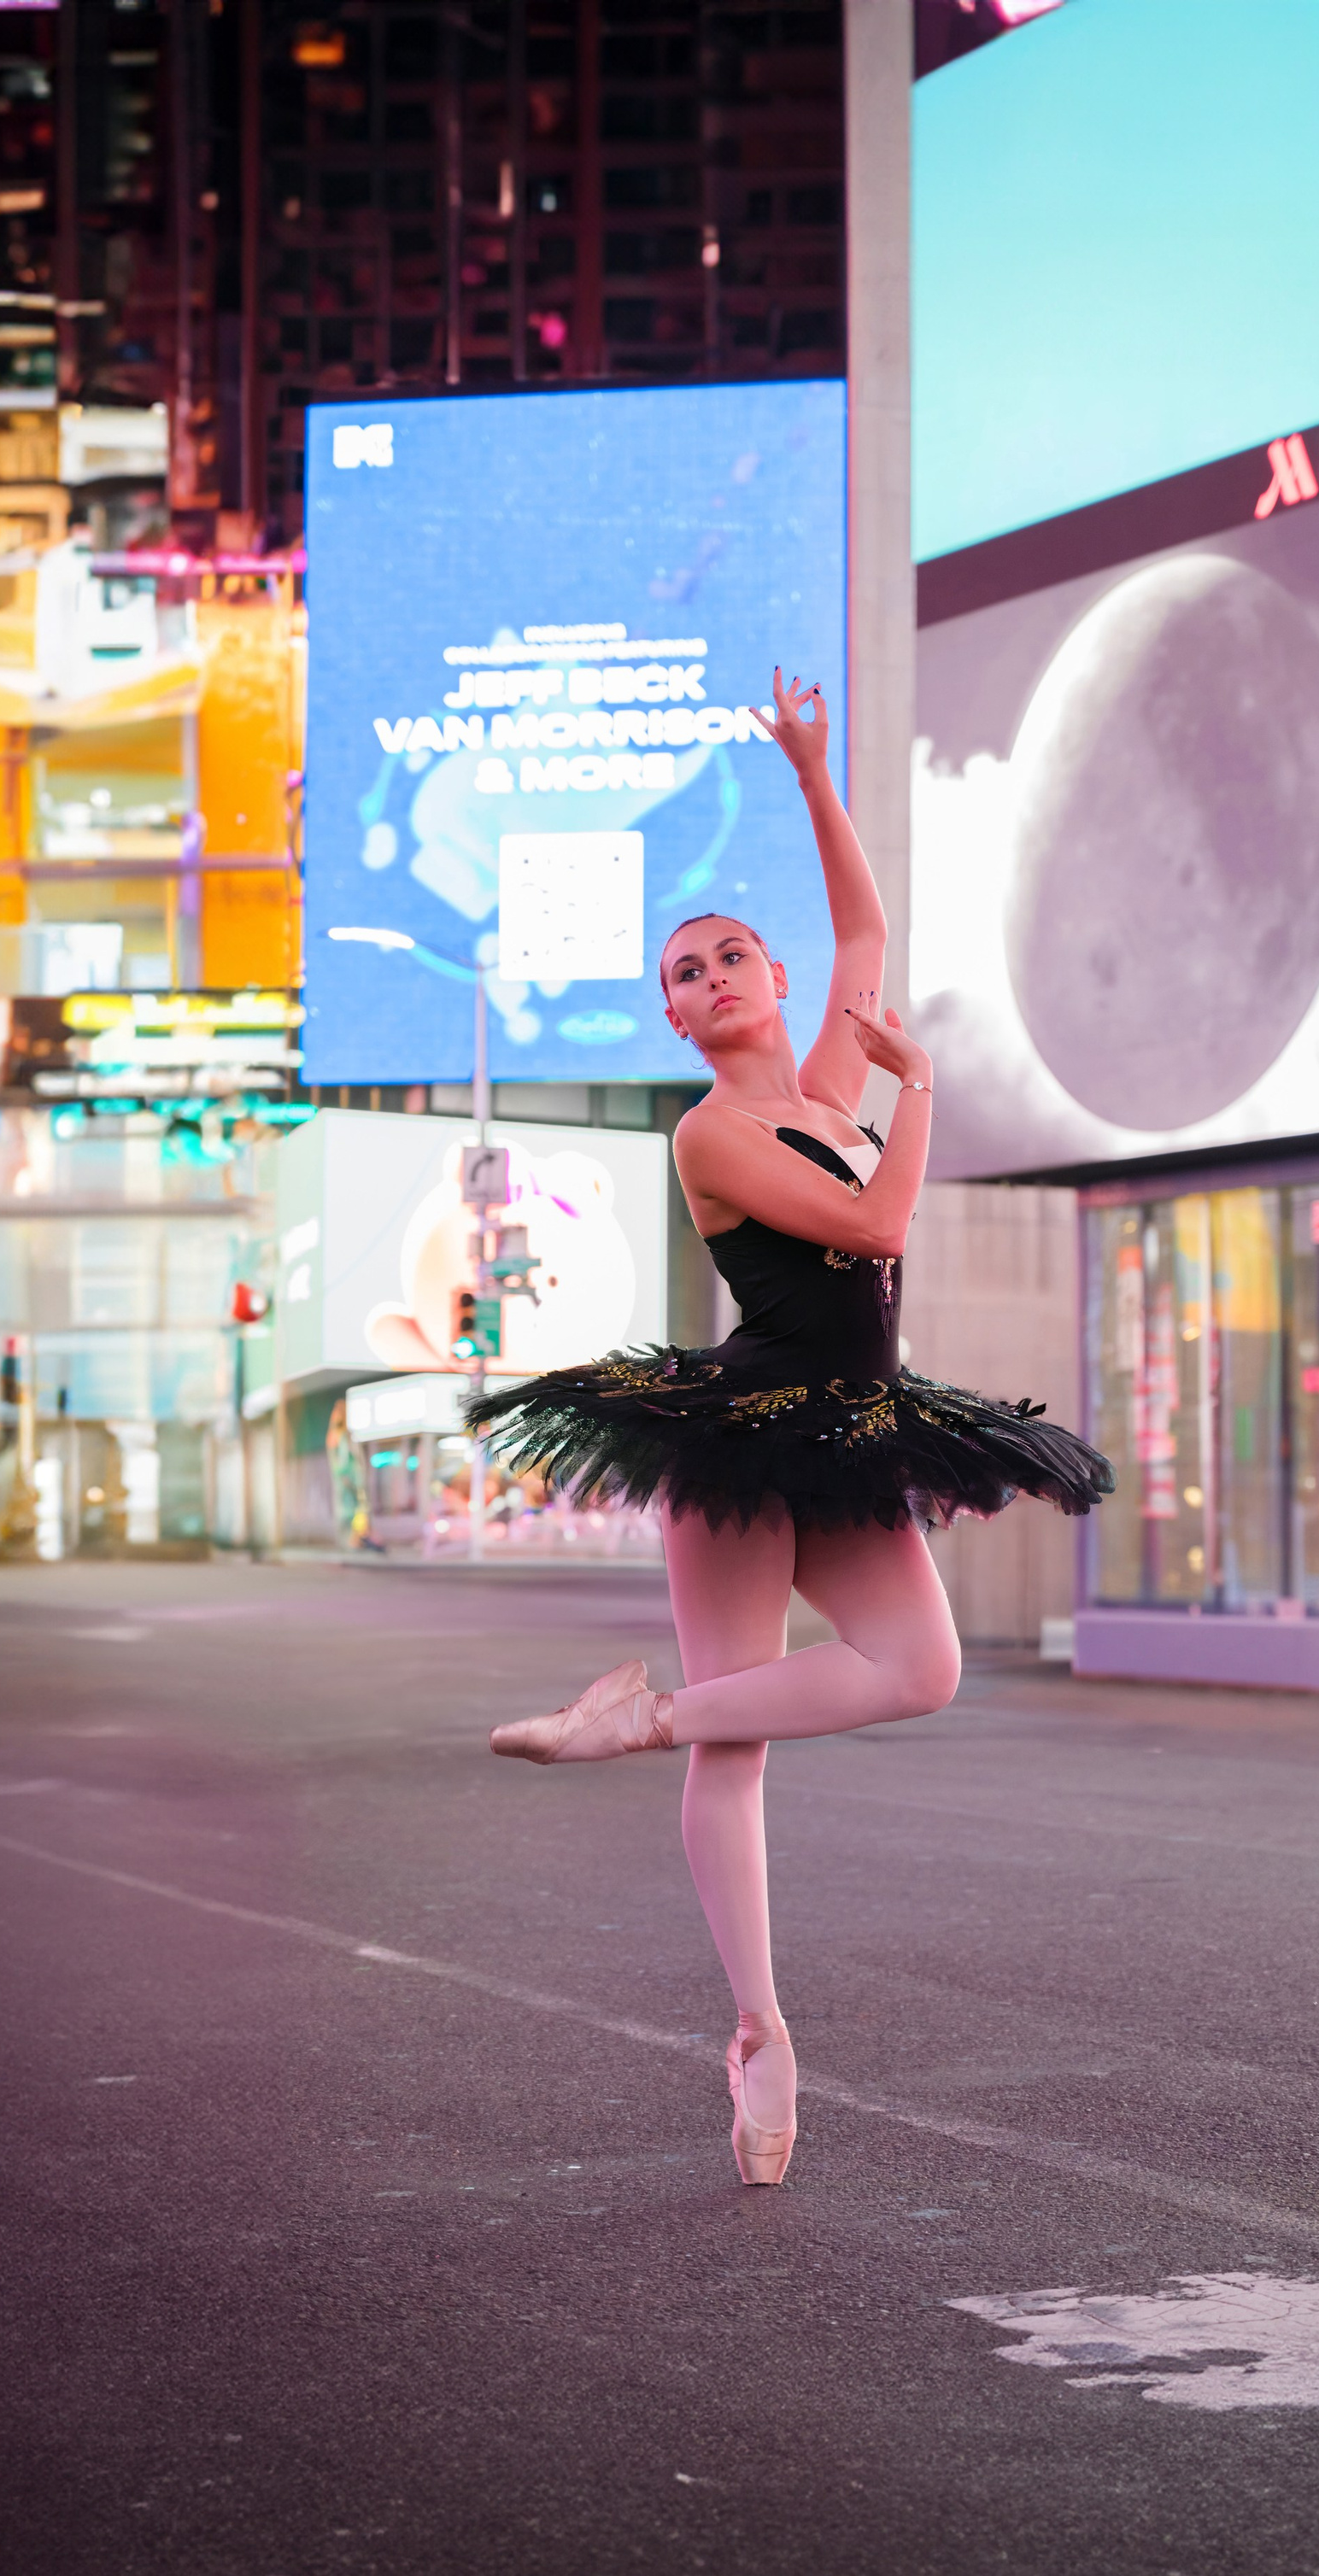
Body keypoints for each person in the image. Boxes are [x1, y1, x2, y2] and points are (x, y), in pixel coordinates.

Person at [474, 670, 1111, 2186]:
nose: (713, 975)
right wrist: (929, 1091)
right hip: (745, 1436)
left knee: (925, 1668)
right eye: (684, 972)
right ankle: (759, 2029)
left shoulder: (826, 1085)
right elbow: (888, 1211)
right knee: (747, 1734)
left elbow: (870, 937)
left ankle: (640, 1718)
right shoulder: (714, 1133)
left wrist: (813, 769)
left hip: (852, 1423)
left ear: (768, 975)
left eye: (732, 952)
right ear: (679, 1017)